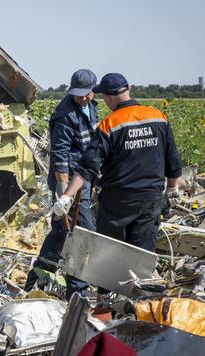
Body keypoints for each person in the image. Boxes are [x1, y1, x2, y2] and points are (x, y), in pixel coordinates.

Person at [53, 73, 183, 293]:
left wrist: (66, 196)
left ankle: (107, 308)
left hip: (118, 202)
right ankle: (139, 311)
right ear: (128, 89)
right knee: (142, 259)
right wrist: (172, 188)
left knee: (109, 261)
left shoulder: (110, 124)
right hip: (151, 199)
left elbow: (87, 167)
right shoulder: (158, 116)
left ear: (108, 97)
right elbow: (173, 160)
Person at [24, 69, 100, 299]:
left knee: (60, 233)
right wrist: (63, 192)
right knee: (80, 233)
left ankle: (36, 280)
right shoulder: (65, 115)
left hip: (84, 176)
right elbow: (60, 154)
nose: (83, 98)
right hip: (69, 181)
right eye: (78, 95)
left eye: (86, 94)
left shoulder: (92, 106)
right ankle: (78, 292)